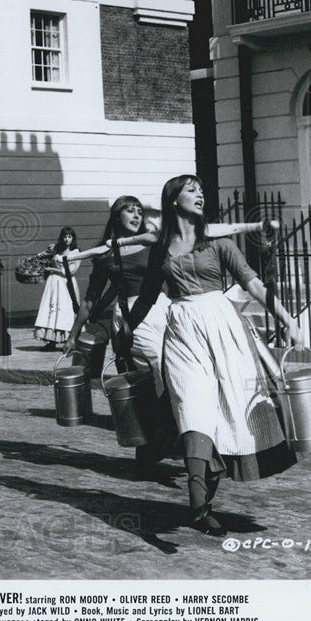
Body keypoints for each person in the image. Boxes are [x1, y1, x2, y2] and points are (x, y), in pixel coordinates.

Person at [126, 175, 304, 536]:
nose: (200, 194)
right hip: (181, 333)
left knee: (224, 416)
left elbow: (255, 286)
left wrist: (289, 320)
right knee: (192, 407)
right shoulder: (160, 250)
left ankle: (203, 500)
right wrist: (125, 332)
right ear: (173, 199)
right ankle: (196, 504)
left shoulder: (220, 245)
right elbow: (146, 297)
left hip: (224, 331)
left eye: (201, 190)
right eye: (191, 189)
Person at [62, 196, 175, 475]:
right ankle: (158, 439)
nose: (136, 216)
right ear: (116, 217)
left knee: (170, 373)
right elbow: (90, 299)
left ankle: (154, 443)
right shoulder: (105, 255)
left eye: (139, 211)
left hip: (160, 309)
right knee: (157, 371)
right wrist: (73, 335)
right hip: (130, 318)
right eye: (129, 211)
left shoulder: (152, 243)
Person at [32, 226, 81, 350]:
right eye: (64, 236)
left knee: (65, 309)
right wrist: (38, 255)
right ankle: (51, 341)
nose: (66, 239)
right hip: (53, 283)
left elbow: (71, 271)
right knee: (51, 308)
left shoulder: (75, 252)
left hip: (66, 283)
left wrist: (52, 269)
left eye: (69, 237)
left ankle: (68, 340)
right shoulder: (57, 249)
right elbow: (43, 255)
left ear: (73, 238)